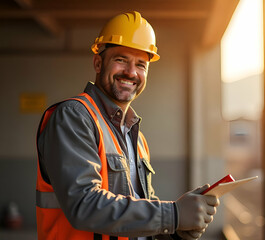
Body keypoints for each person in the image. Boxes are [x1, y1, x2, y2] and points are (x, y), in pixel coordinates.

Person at [36, 11, 220, 240]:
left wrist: (176, 229)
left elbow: (137, 219)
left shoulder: (137, 138)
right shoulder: (74, 117)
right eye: (121, 59)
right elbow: (84, 204)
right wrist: (173, 215)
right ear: (98, 62)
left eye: (141, 64)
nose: (131, 72)